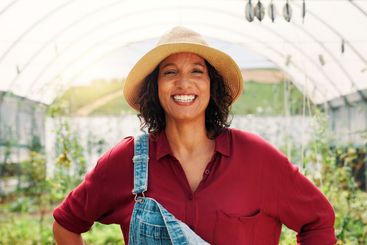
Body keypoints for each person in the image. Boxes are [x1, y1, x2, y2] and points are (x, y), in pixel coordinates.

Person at [52, 26, 336, 244]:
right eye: (170, 72)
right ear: (155, 87)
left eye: (197, 71)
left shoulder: (256, 158)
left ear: (212, 85)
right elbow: (66, 224)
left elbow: (318, 220)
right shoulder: (126, 161)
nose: (184, 83)